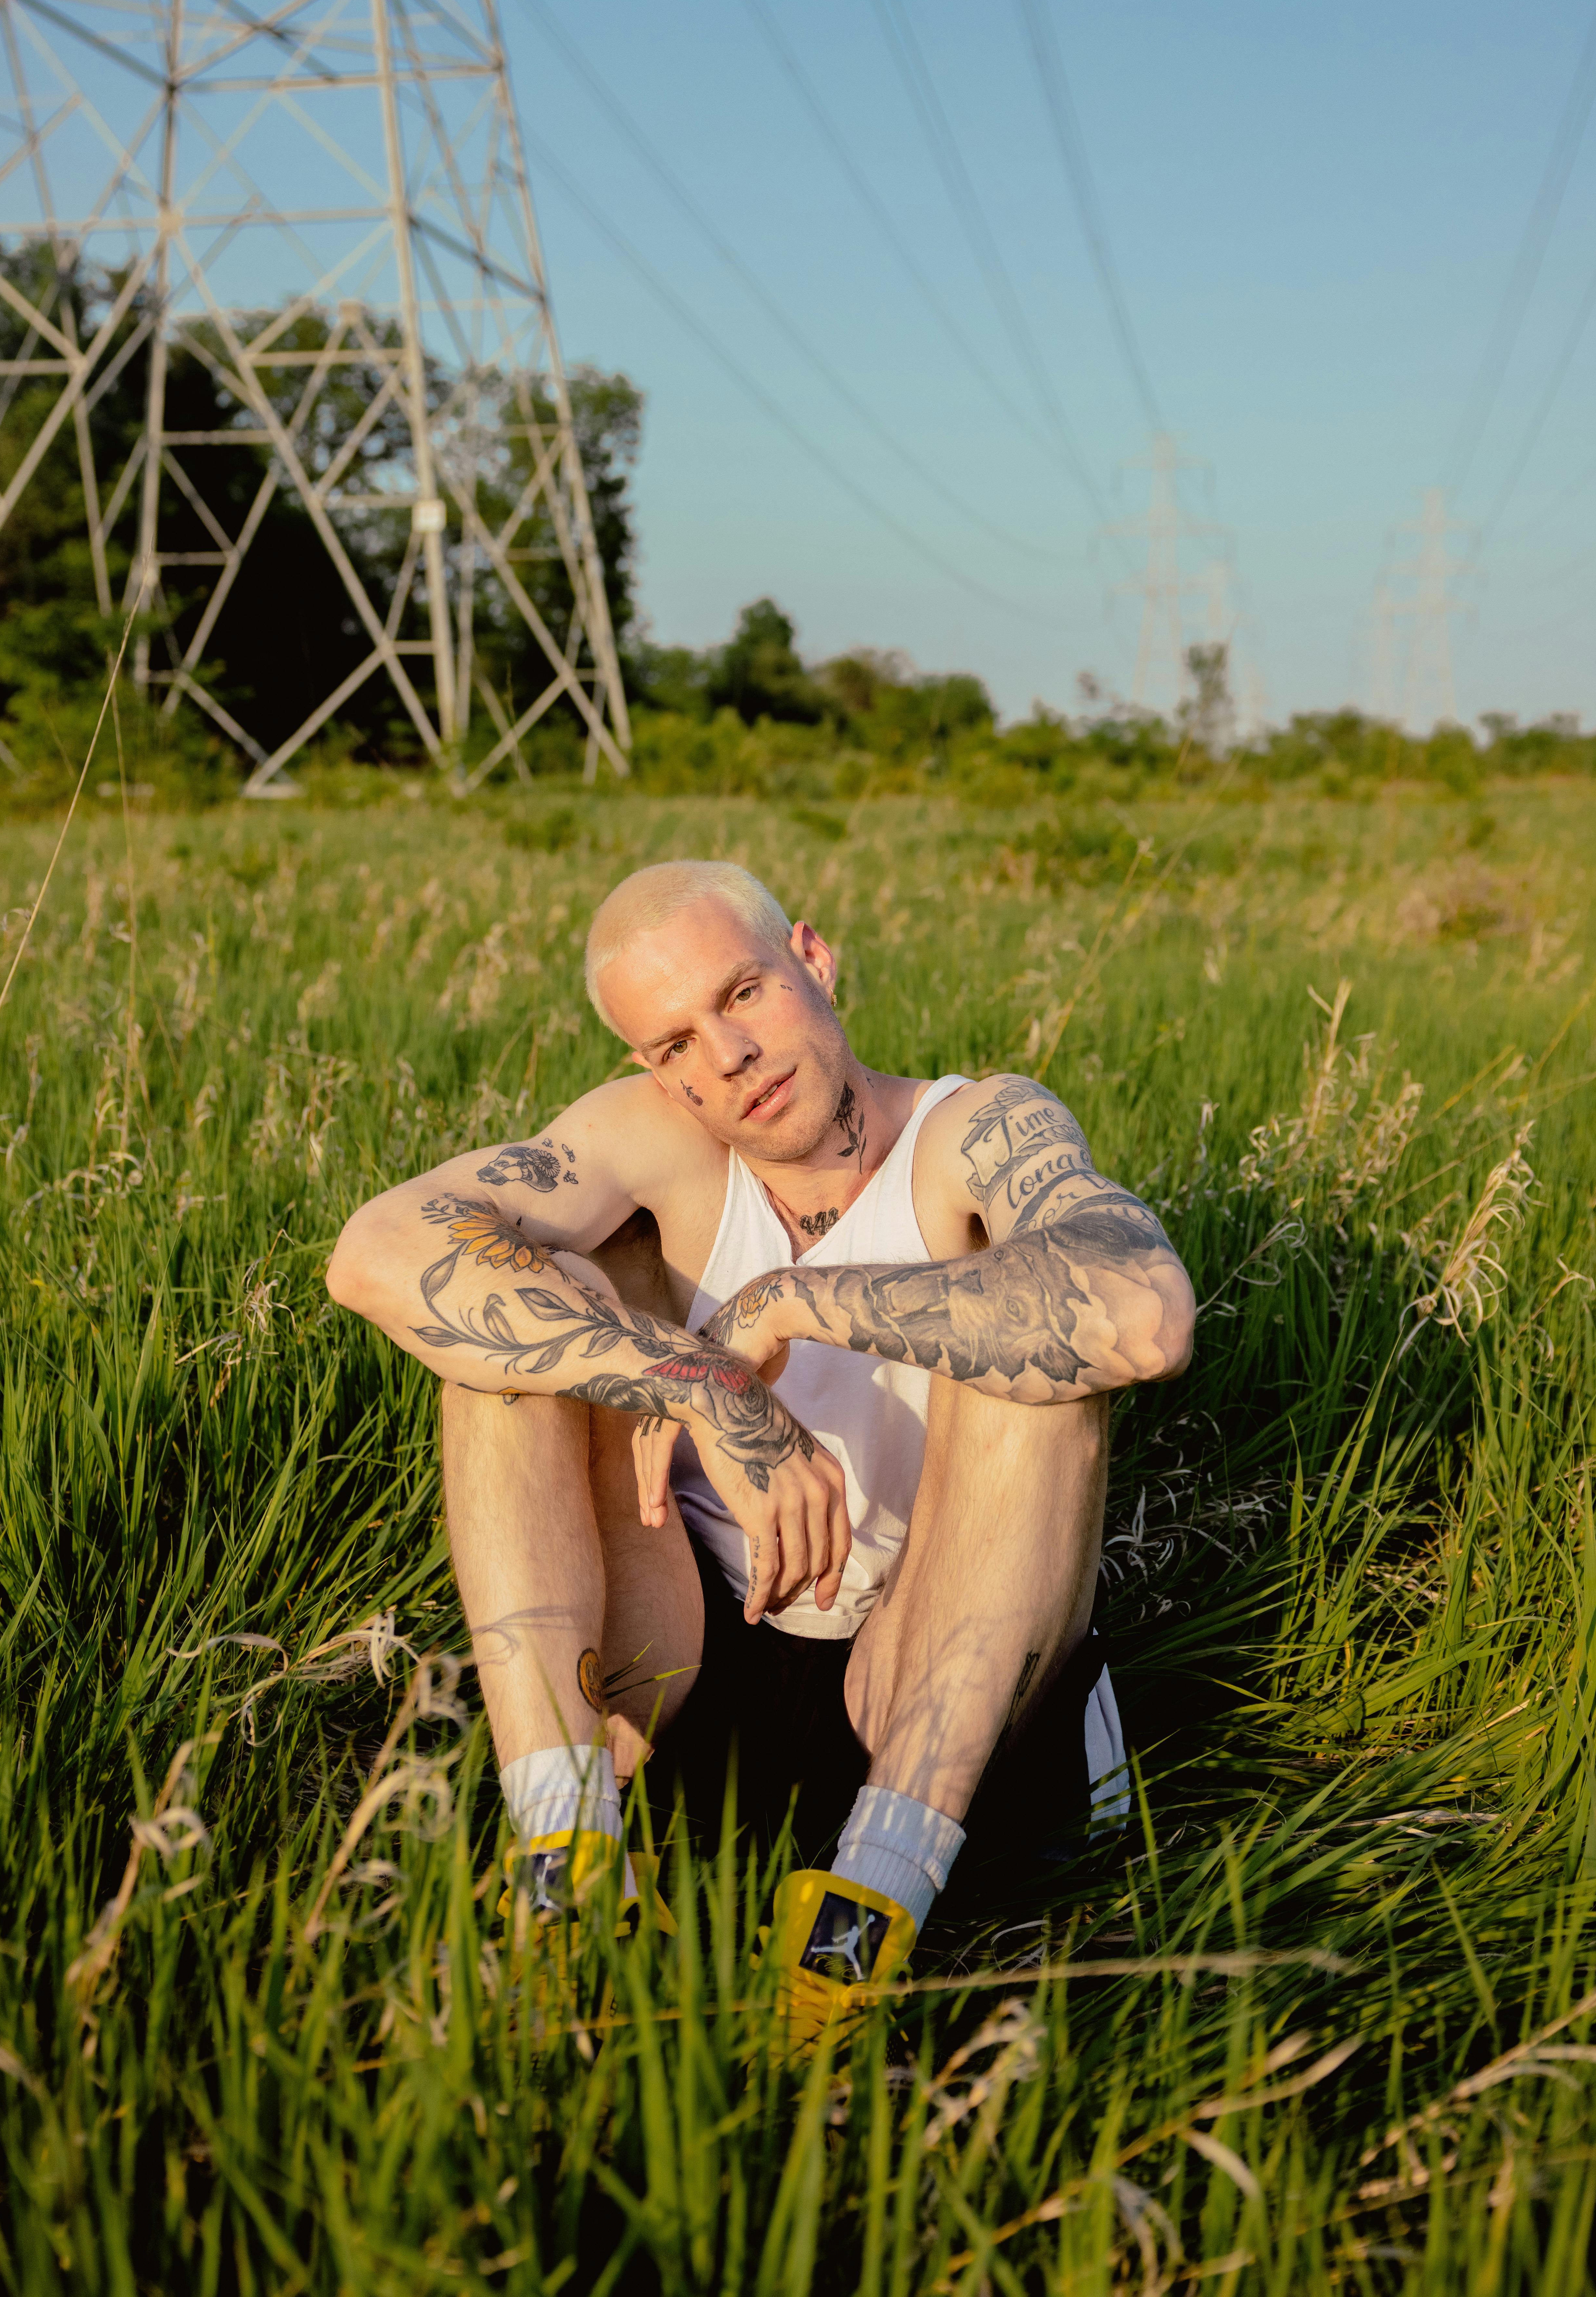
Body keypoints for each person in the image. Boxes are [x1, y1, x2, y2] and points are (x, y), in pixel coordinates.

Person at [326, 858, 1195, 2042]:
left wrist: (793, 1300)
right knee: (512, 1329)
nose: (725, 1057)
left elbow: (1143, 1317)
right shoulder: (653, 1140)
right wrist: (707, 1382)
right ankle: (568, 1870)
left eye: (743, 994)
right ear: (652, 1068)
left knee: (1037, 1352)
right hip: (692, 1661)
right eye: (675, 1042)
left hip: (930, 1678)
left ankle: (870, 1915)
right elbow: (375, 1252)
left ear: (814, 959)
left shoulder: (978, 1130)